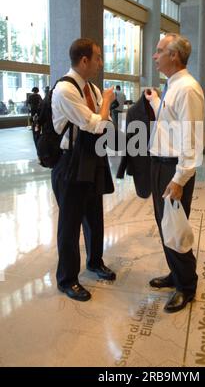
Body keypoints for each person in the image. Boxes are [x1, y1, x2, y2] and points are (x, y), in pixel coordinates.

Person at [51, 38, 116, 302]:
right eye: (98, 57)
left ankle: (95, 261)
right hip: (69, 162)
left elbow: (105, 123)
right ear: (84, 60)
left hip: (91, 158)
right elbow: (95, 124)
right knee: (70, 223)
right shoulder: (65, 90)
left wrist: (103, 112)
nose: (101, 62)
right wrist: (106, 105)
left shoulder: (91, 88)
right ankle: (67, 279)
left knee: (94, 215)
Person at [145, 33, 205, 313]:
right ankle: (175, 274)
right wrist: (156, 101)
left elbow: (190, 138)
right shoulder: (172, 87)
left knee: (175, 227)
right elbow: (170, 122)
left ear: (174, 56)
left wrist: (180, 179)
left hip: (172, 169)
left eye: (159, 52)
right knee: (165, 224)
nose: (154, 56)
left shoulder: (188, 89)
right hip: (161, 165)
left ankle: (186, 287)